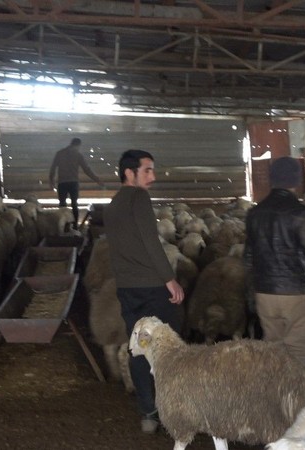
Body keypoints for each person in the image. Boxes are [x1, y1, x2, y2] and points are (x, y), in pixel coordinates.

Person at [102, 149, 185, 434]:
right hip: (151, 287)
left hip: (128, 289)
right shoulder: (139, 197)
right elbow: (151, 241)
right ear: (129, 173)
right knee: (167, 348)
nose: (153, 176)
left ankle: (148, 414)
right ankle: (173, 409)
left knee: (139, 348)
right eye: (147, 170)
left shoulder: (112, 204)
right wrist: (169, 279)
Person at [243, 156, 305, 369]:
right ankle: (300, 401)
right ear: (296, 180)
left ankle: (277, 399)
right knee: (302, 353)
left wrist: (251, 294)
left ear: (272, 180)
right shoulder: (299, 213)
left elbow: (249, 258)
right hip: (295, 293)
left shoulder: (254, 213)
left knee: (274, 353)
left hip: (265, 294)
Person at [48, 138, 103, 229]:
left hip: (62, 182)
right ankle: (75, 226)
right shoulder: (78, 155)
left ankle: (64, 226)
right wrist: (97, 180)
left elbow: (53, 168)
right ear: (78, 145)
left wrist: (51, 181)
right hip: (73, 182)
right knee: (74, 204)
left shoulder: (60, 153)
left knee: (62, 205)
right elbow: (86, 169)